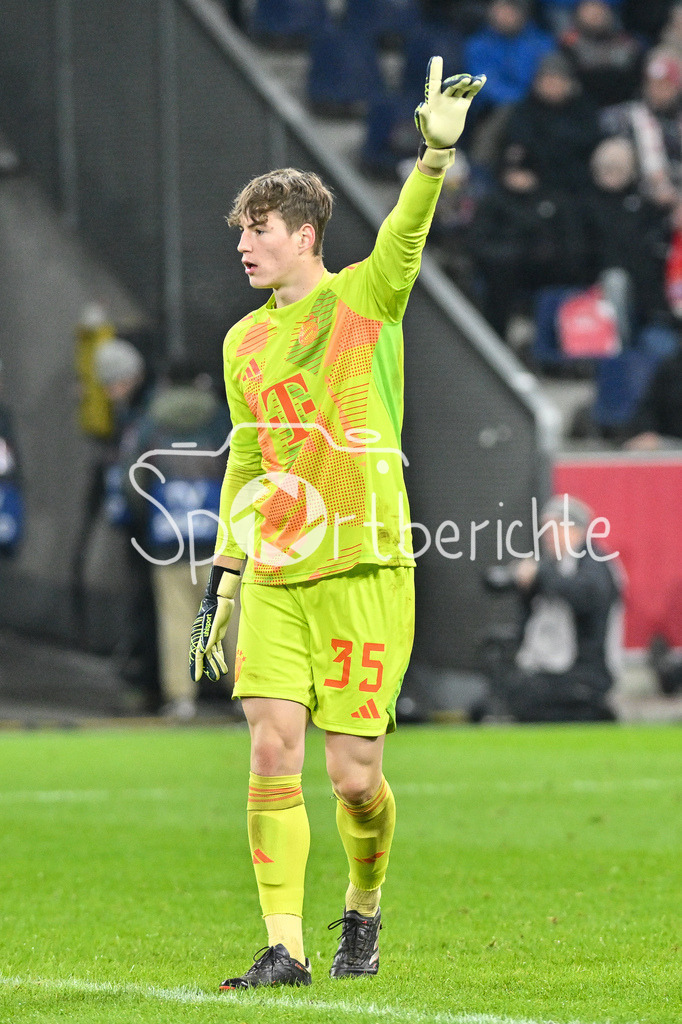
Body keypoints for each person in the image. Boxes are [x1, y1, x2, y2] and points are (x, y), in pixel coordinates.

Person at [188, 58, 486, 990]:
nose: (245, 244)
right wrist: (227, 568)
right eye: (241, 230)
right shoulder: (244, 341)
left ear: (305, 234)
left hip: (364, 567)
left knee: (356, 779)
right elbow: (247, 456)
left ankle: (363, 907)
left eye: (259, 229)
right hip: (277, 565)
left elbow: (403, 236)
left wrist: (432, 159)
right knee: (271, 742)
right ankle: (286, 946)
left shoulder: (364, 299)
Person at [124, 358, 232, 719]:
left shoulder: (150, 420)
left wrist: (147, 517)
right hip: (218, 533)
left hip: (168, 530)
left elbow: (133, 477)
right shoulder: (220, 418)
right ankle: (246, 695)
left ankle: (182, 697)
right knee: (230, 614)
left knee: (176, 617)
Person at [474, 495, 624, 723]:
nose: (547, 536)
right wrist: (525, 585)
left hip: (586, 674)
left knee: (520, 701)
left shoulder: (596, 564)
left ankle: (596, 713)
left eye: (554, 528)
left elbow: (584, 598)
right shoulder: (554, 565)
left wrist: (539, 574)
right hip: (552, 672)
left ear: (576, 529)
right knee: (490, 701)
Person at [558, 0, 643, 109]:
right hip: (582, 107)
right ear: (578, 13)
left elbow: (634, 80)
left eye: (599, 9)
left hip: (623, 105)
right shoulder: (568, 45)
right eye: (589, 9)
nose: (595, 14)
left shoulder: (627, 45)